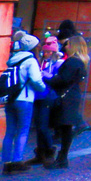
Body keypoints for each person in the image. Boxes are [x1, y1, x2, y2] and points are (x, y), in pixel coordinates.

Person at [2, 32, 46, 174]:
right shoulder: (31, 61)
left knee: (9, 132)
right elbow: (36, 80)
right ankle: (17, 161)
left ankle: (6, 163)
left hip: (11, 99)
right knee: (22, 131)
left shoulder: (13, 59)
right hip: (25, 99)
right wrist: (43, 89)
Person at [46, 35, 88, 170]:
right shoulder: (80, 61)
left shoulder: (72, 62)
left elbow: (63, 79)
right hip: (71, 95)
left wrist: (49, 78)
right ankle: (62, 157)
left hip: (67, 97)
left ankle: (62, 158)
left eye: (68, 44)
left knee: (66, 128)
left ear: (74, 46)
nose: (65, 46)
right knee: (66, 127)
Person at [28, 35, 60, 166]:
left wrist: (46, 76)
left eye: (48, 52)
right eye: (44, 51)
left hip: (47, 96)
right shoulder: (39, 61)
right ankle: (40, 152)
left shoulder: (57, 63)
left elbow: (57, 79)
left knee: (43, 126)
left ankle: (49, 151)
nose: (45, 54)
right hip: (37, 96)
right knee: (39, 126)